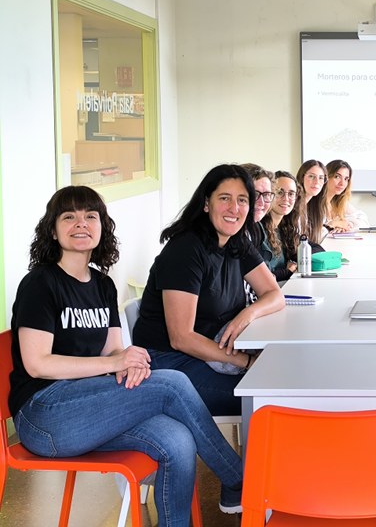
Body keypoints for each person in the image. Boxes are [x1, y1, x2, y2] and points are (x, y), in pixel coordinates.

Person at [9, 186, 245, 523]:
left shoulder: (102, 285)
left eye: (91, 216)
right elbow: (37, 363)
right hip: (44, 416)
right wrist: (114, 363)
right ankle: (238, 478)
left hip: (89, 406)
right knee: (172, 383)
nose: (81, 223)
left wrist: (128, 362)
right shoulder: (40, 284)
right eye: (69, 217)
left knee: (177, 441)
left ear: (102, 227)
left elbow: (113, 348)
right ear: (52, 229)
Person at [133, 164, 285, 416]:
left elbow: (274, 294)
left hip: (214, 350)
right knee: (267, 399)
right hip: (169, 361)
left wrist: (247, 314)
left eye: (242, 200)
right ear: (206, 204)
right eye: (224, 198)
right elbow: (181, 337)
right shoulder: (185, 250)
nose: (234, 209)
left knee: (283, 378)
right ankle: (253, 456)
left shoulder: (237, 241)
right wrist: (245, 362)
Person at [263, 170, 303, 281]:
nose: (286, 199)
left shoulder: (284, 227)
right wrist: (288, 271)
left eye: (291, 194)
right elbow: (263, 277)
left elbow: (313, 247)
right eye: (280, 192)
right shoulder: (259, 230)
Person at [324, 159, 369, 232]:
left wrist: (346, 224)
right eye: (337, 177)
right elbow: (310, 231)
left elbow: (364, 221)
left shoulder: (339, 202)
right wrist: (333, 224)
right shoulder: (313, 201)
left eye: (346, 179)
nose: (342, 183)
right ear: (326, 177)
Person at [297, 159, 328, 245]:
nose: (317, 182)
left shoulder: (315, 206)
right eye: (311, 176)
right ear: (302, 178)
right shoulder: (293, 205)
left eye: (321, 178)